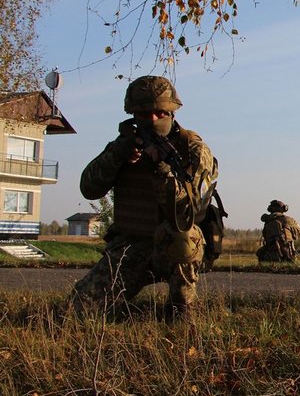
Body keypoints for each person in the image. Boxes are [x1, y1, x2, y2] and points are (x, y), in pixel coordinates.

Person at [71, 76, 217, 319]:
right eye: (144, 114)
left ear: (172, 112)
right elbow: (89, 188)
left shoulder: (193, 149)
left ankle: (181, 310)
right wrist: (117, 156)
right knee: (79, 311)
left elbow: (189, 213)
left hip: (174, 247)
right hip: (130, 246)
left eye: (160, 113)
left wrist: (161, 170)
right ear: (133, 114)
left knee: (184, 236)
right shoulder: (125, 145)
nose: (153, 119)